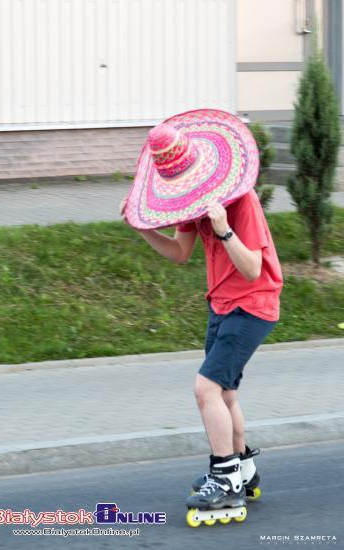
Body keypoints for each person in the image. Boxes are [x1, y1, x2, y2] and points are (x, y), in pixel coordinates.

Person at [120, 109, 283, 517]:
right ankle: (242, 466)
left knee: (205, 389)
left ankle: (225, 478)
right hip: (221, 303)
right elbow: (180, 253)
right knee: (225, 392)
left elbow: (251, 270)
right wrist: (142, 229)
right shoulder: (192, 202)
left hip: (253, 304)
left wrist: (224, 228)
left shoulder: (241, 204)